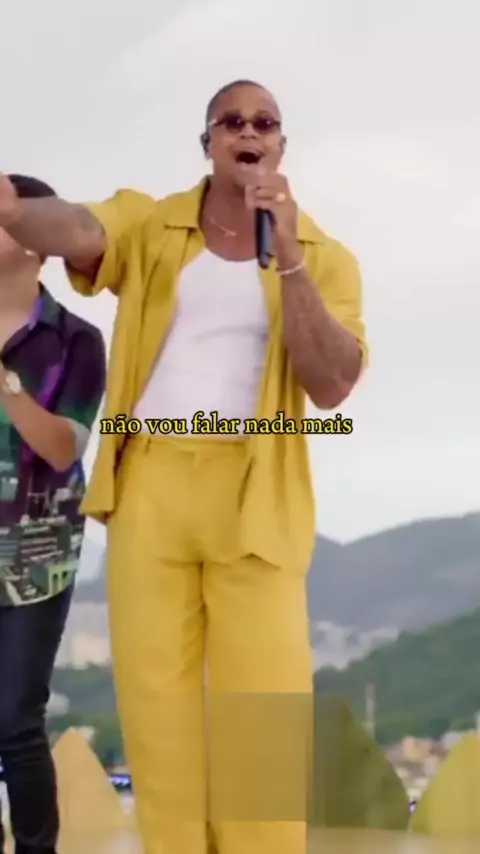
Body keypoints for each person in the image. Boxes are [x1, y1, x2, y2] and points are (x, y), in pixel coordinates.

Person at [0, 81, 368, 854]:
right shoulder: (152, 222)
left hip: (257, 489)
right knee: (158, 712)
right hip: (153, 484)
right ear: (208, 143)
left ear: (280, 146)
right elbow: (76, 228)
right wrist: (12, 208)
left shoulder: (326, 257)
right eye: (230, 121)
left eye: (264, 122)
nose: (247, 131)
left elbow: (333, 383)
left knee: (262, 716)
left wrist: (291, 258)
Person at [0, 174, 106, 854]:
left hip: (36, 555)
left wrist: (7, 386)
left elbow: (63, 447)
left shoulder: (75, 341)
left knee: (14, 719)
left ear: (35, 240)